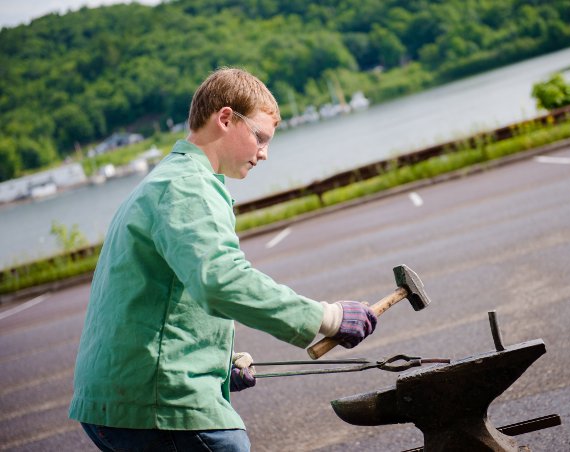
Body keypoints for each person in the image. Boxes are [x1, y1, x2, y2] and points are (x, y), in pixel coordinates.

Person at [69, 67, 377, 451]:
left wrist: (218, 362)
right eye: (260, 138)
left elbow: (157, 298)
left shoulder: (166, 180)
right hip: (157, 402)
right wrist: (326, 317)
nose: (264, 153)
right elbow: (220, 280)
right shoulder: (187, 187)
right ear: (226, 118)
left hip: (120, 399)